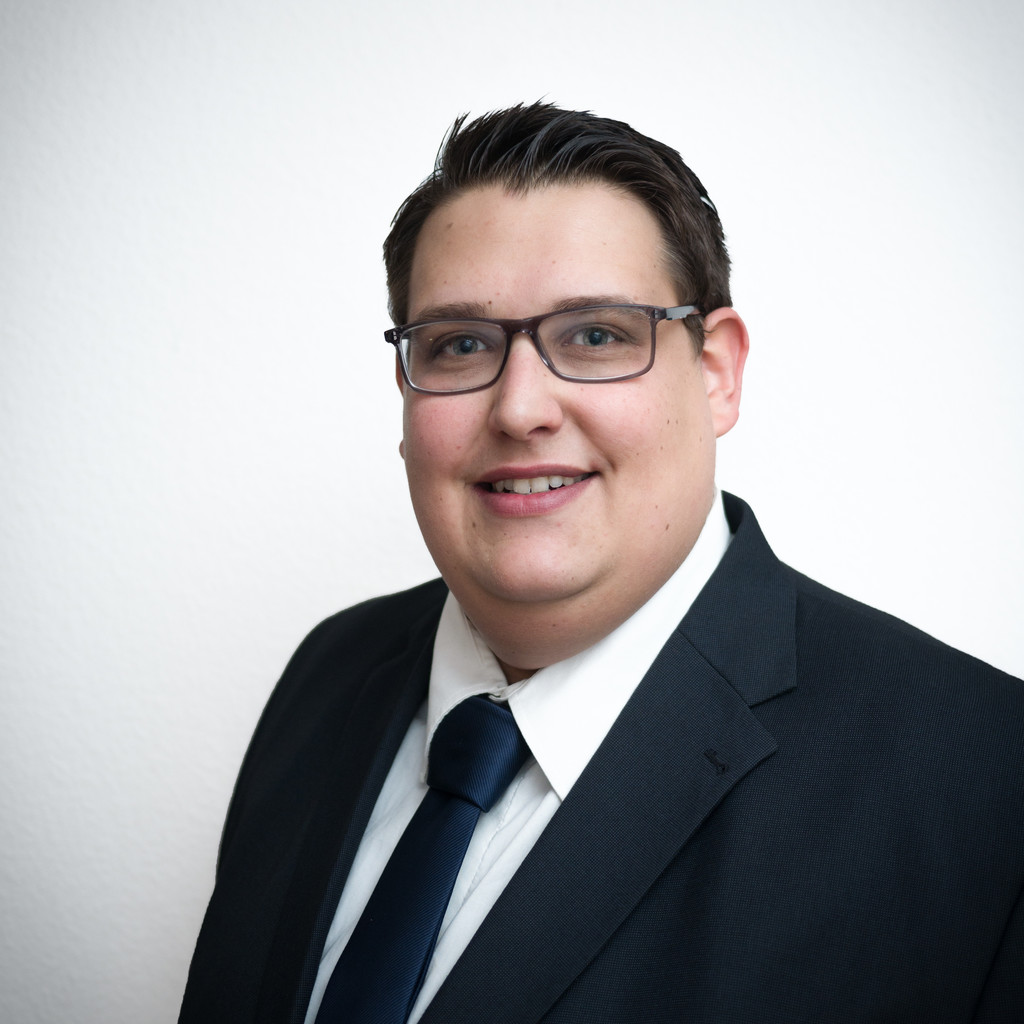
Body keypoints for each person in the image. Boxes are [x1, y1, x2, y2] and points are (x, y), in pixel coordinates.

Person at [179, 103, 1024, 1024]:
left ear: (716, 372)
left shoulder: (985, 781)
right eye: (460, 345)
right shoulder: (328, 675)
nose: (521, 409)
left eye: (595, 335)